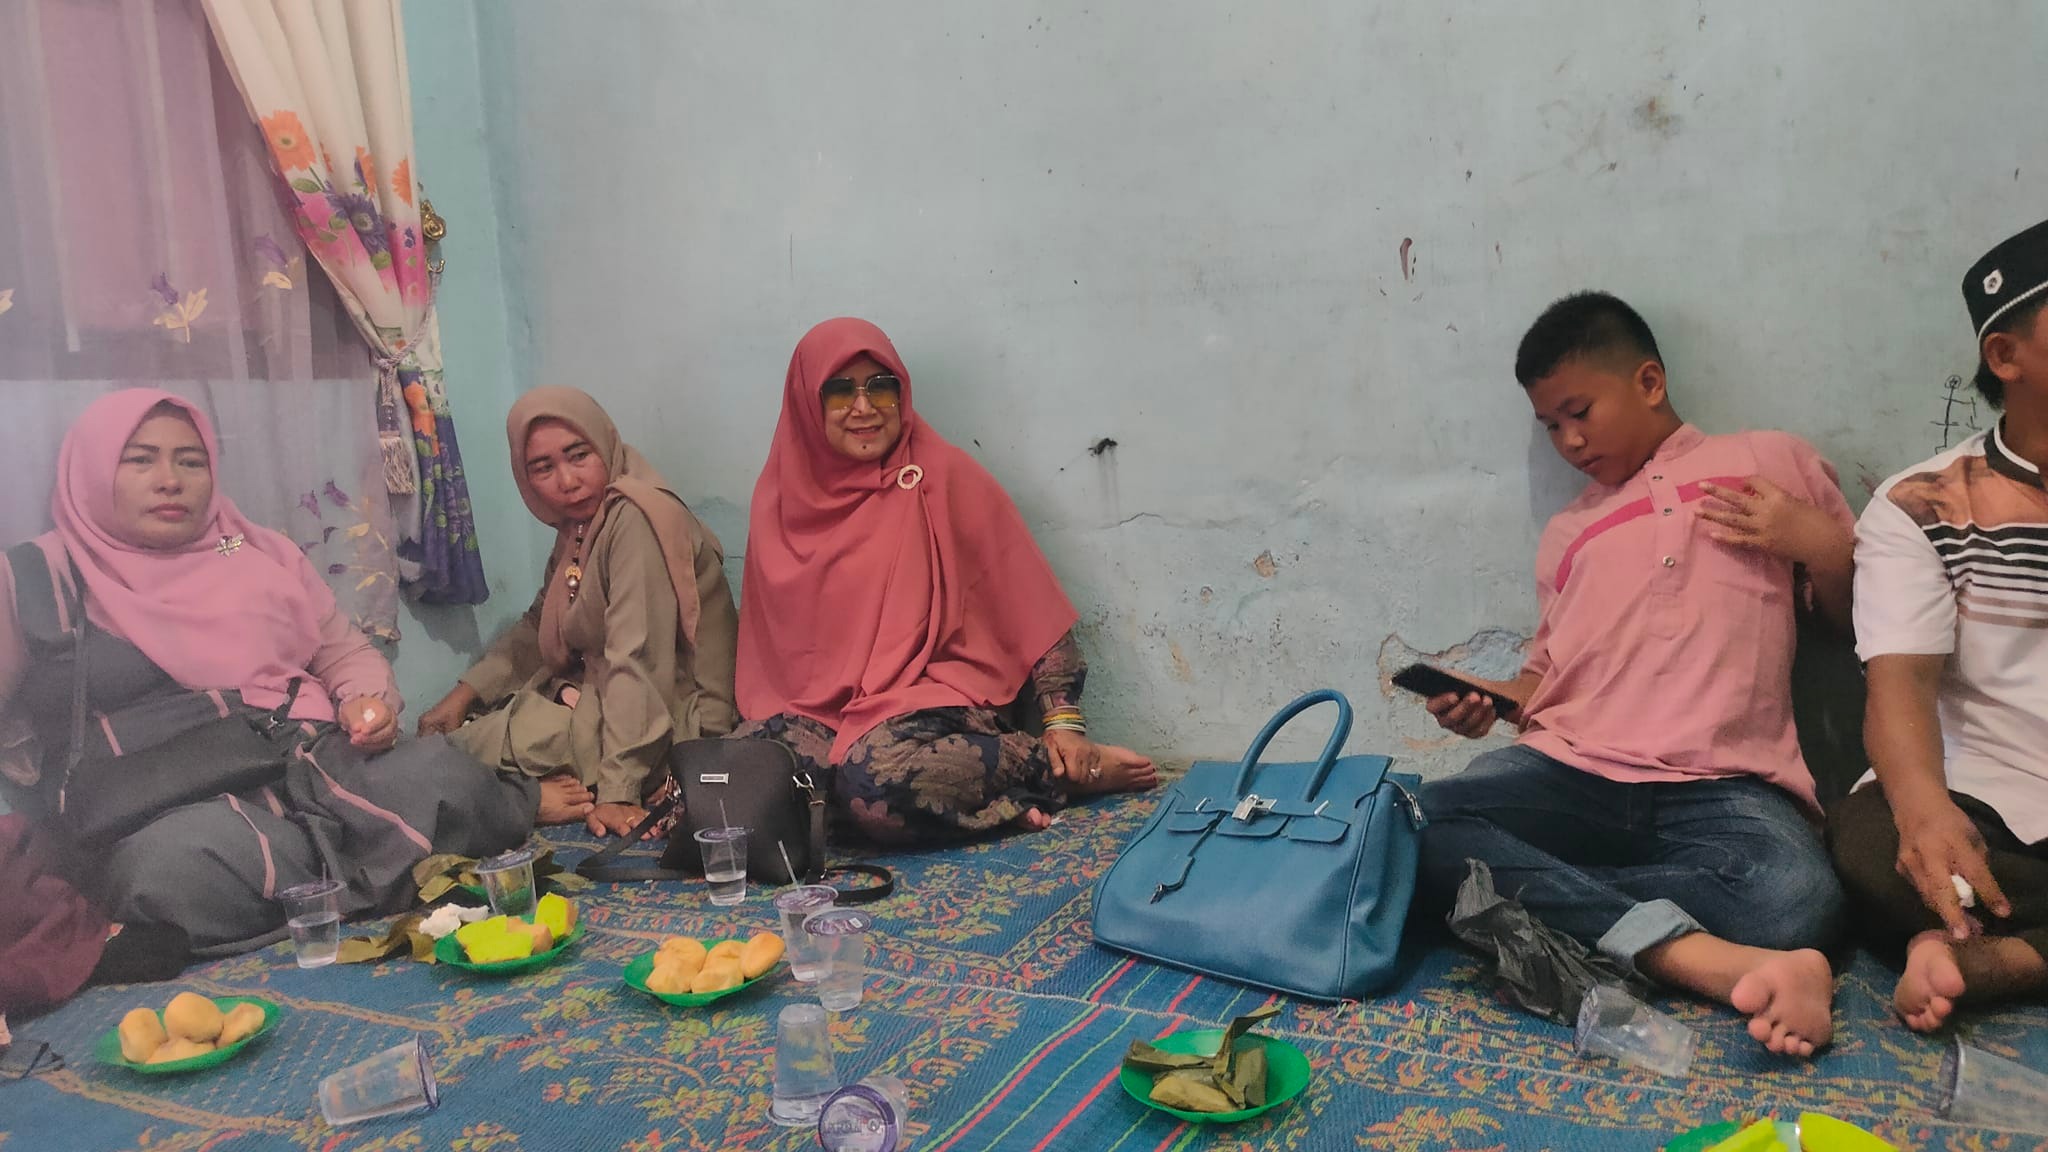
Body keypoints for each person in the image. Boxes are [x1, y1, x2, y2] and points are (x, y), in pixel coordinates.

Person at [1414, 292, 1856, 1057]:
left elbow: (1854, 624)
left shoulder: (1768, 460)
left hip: (1724, 784)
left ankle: (1558, 898)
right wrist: (1489, 703)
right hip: (1570, 772)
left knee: (1798, 901)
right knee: (1413, 822)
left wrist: (1817, 541)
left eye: (1579, 412)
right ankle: (1704, 960)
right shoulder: (1570, 532)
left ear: (1649, 382)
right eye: (1550, 426)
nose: (1570, 440)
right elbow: (1543, 682)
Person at [0, 389, 533, 964]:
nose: (170, 481)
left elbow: (342, 651)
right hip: (170, 799)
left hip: (310, 760)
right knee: (168, 872)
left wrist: (367, 701)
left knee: (444, 773)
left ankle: (318, 886)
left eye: (190, 461)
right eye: (140, 460)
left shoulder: (242, 546)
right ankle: (377, 866)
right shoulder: (39, 576)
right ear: (91, 470)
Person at [733, 317, 1156, 845]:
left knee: (873, 783)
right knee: (751, 771)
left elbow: (1031, 608)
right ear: (807, 403)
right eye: (840, 391)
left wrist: (1064, 724)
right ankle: (974, 802)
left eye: (880, 387)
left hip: (929, 707)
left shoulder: (944, 476)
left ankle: (1054, 772)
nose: (863, 407)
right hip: (822, 716)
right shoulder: (778, 504)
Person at [1832, 219, 2048, 1031]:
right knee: (1871, 844)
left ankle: (2000, 960)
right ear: (2006, 356)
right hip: (1984, 789)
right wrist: (1924, 815)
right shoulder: (1921, 506)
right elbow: (1901, 685)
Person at [420, 387, 739, 838]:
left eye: (579, 456)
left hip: (672, 720)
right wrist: (463, 695)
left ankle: (538, 797)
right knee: (457, 741)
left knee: (455, 756)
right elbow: (540, 623)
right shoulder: (583, 525)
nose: (567, 481)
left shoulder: (634, 518)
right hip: (605, 696)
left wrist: (620, 791)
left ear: (604, 444)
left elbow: (638, 656)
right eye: (543, 468)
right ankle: (536, 788)